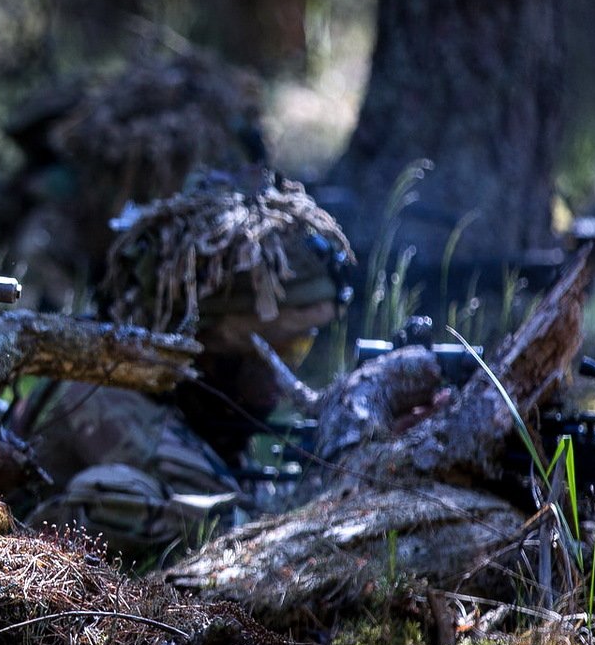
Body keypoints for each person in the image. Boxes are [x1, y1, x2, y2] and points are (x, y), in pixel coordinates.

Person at [20, 170, 351, 564]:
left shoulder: (203, 405)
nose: (287, 374)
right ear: (204, 343)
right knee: (122, 497)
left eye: (305, 344)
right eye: (283, 348)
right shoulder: (105, 392)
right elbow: (238, 530)